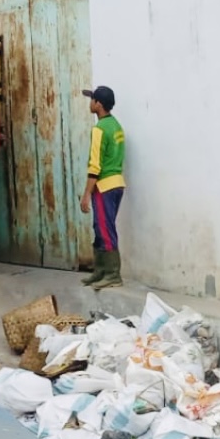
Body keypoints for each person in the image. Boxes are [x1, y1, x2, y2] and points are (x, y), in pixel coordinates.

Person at [78, 85, 125, 290]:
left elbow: (95, 164)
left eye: (92, 99)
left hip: (104, 186)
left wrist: (87, 193)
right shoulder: (116, 126)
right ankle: (100, 272)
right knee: (101, 227)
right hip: (117, 184)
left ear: (98, 104)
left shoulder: (99, 129)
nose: (90, 103)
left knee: (105, 229)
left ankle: (113, 274)